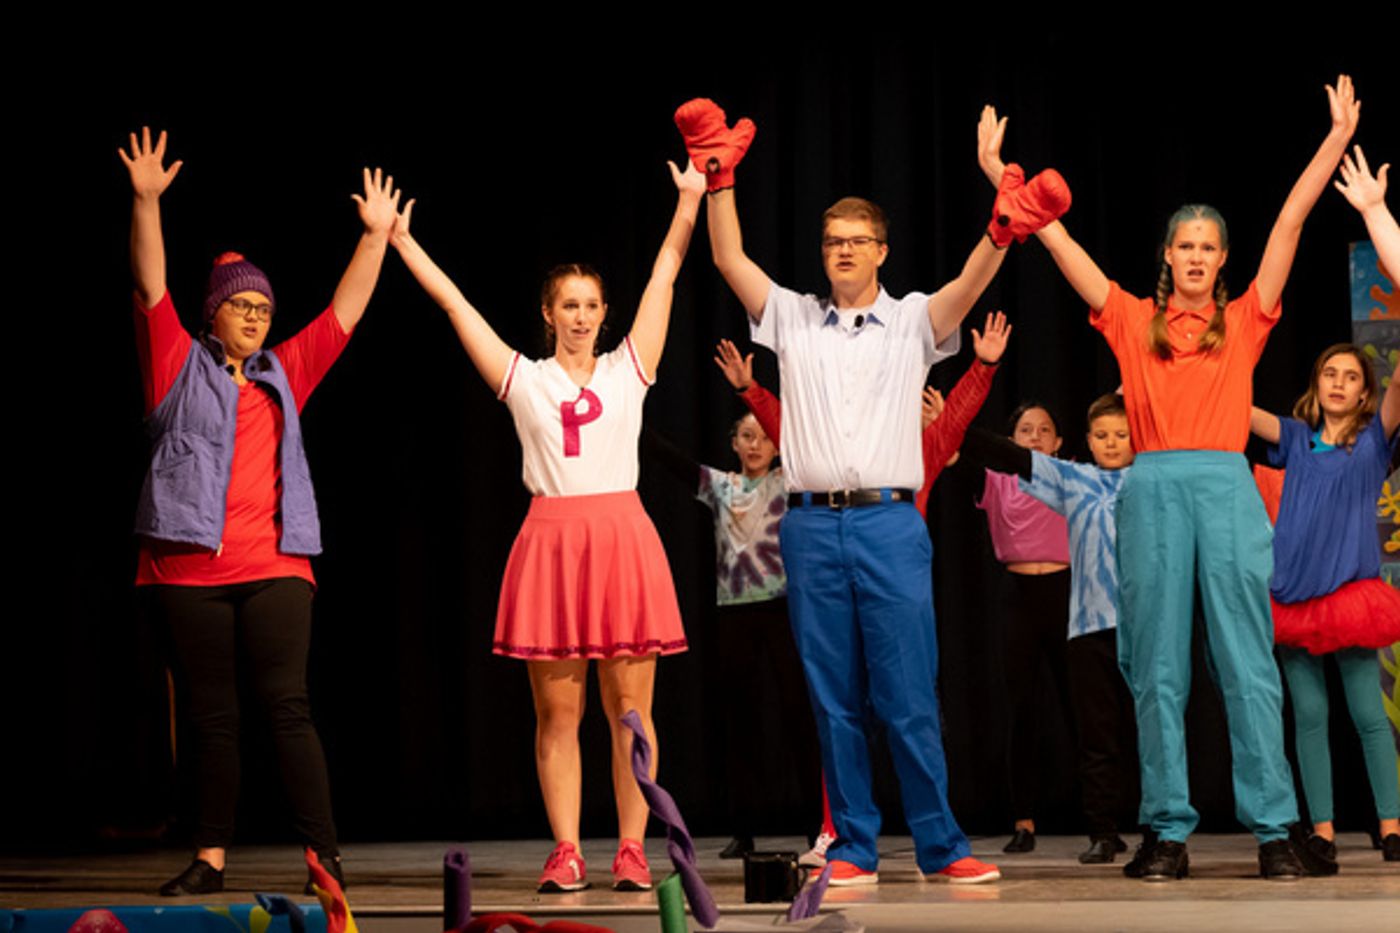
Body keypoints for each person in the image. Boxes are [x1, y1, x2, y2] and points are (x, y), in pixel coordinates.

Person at [977, 74, 1360, 880]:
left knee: (1248, 663)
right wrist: (1003, 186)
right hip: (1150, 490)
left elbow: (1290, 222)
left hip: (1224, 487)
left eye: (1207, 246)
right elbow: (1061, 242)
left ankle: (1272, 827)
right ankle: (1167, 830)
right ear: (1167, 256)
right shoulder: (1128, 317)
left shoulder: (1248, 318)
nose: (1194, 256)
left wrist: (1332, 142)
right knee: (1154, 664)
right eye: (1182, 244)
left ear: (1222, 260)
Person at [679, 95, 1068, 885]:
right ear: (822, 253)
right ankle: (853, 844)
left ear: (882, 250)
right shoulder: (791, 317)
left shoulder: (913, 321)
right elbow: (728, 260)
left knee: (908, 693)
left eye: (857, 241)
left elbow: (968, 281)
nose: (843, 251)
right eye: (832, 242)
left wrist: (1002, 224)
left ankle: (941, 843)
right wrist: (718, 178)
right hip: (812, 527)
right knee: (833, 696)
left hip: (890, 525)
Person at [389, 156, 705, 893]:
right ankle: (567, 847)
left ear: (604, 312)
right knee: (558, 711)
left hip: (621, 539)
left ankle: (631, 845)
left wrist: (688, 202)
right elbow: (457, 306)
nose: (582, 315)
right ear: (548, 312)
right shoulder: (525, 378)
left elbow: (665, 274)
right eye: (570, 304)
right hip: (554, 544)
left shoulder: (631, 368)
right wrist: (403, 242)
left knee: (631, 710)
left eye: (592, 303)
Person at [119, 128, 401, 896]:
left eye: (263, 306)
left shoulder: (285, 372)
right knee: (212, 720)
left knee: (288, 708)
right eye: (239, 305)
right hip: (186, 566)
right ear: (213, 314)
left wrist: (374, 238)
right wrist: (146, 201)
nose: (254, 316)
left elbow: (343, 315)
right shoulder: (176, 365)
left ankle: (323, 858)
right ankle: (209, 858)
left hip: (276, 565)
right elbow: (152, 289)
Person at [1252, 246, 1400, 867]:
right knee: (1309, 717)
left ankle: (1391, 828)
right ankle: (1323, 833)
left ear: (1365, 390)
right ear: (1316, 383)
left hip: (1352, 599)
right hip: (1293, 598)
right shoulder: (1293, 438)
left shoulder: (1374, 445)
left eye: (1351, 376)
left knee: (1369, 715)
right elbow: (1227, 408)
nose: (1338, 383)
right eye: (1329, 374)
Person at [961, 395, 1143, 865]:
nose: (1111, 442)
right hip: (1081, 617)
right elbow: (1004, 456)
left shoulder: (1149, 479)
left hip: (1142, 621)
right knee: (1085, 724)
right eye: (1102, 435)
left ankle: (1153, 825)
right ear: (1086, 442)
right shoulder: (1070, 479)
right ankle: (1096, 829)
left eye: (1121, 435)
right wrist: (952, 417)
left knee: (1136, 725)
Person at [972, 402, 1072, 854]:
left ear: (1058, 443)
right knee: (1022, 712)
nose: (1034, 437)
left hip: (1067, 596)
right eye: (1025, 430)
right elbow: (952, 450)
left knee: (1082, 710)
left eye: (1044, 430)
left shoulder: (1073, 475)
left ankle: (1104, 822)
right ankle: (1024, 821)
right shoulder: (996, 480)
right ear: (1010, 442)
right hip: (1015, 596)